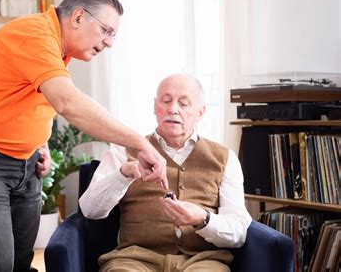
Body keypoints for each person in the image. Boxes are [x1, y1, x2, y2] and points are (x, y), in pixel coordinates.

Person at [0, 0, 167, 272]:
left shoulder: (57, 46)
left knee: (21, 262)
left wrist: (41, 144)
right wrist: (140, 143)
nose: (110, 42)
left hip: (26, 164)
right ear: (77, 17)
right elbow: (66, 102)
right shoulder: (35, 36)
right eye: (106, 31)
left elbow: (31, 98)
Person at [79, 73, 253, 272]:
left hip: (201, 262)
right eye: (166, 101)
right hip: (134, 260)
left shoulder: (225, 158)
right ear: (155, 106)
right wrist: (125, 172)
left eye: (184, 103)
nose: (173, 109)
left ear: (201, 112)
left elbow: (239, 233)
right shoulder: (124, 149)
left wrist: (203, 218)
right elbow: (90, 209)